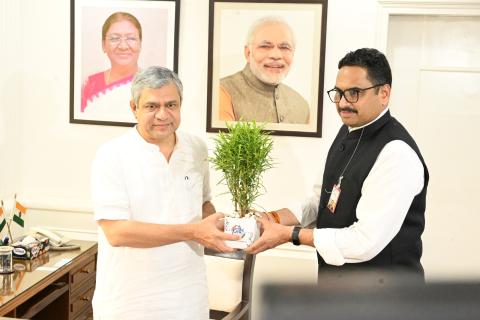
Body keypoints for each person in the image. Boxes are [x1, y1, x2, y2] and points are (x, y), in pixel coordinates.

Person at [245, 48, 429, 279]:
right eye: (338, 93)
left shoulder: (396, 153)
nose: (342, 103)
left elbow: (364, 242)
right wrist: (272, 219)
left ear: (384, 93)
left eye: (354, 93)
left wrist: (290, 234)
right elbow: (320, 202)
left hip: (385, 298)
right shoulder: (347, 131)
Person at [91, 66, 238, 320]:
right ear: (133, 108)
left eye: (171, 105)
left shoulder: (196, 148)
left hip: (189, 298)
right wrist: (193, 231)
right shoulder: (112, 155)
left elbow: (203, 203)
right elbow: (116, 232)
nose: (162, 114)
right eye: (151, 106)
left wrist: (216, 222)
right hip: (129, 303)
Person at [219, 16, 309, 124]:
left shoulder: (302, 106)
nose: (276, 55)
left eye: (284, 47)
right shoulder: (222, 92)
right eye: (265, 46)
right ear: (248, 53)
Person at [81, 12, 141, 122]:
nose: (123, 46)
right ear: (103, 45)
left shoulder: (152, 84)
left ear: (140, 44)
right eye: (114, 39)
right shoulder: (90, 84)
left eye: (131, 38)